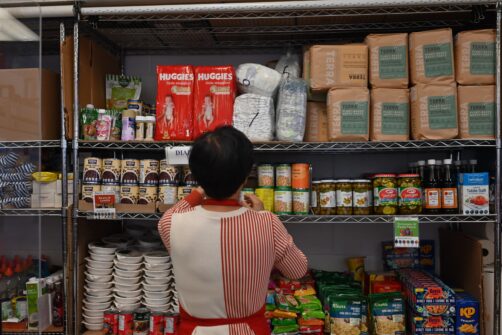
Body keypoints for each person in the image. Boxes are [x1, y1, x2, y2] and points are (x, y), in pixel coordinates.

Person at [158, 126, 308, 335]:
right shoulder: (268, 224)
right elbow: (298, 270)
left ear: (196, 175)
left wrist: (202, 188)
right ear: (246, 176)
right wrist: (260, 214)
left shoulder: (171, 224)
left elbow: (173, 212)